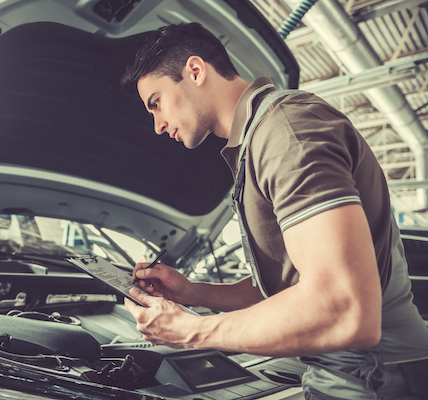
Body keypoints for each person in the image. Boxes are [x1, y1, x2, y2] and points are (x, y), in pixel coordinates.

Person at [120, 22, 428, 399]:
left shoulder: (286, 131)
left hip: (372, 376)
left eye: (156, 103)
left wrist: (190, 331)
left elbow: (342, 307)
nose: (157, 125)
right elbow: (294, 285)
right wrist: (194, 292)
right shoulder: (257, 140)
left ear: (195, 71)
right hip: (346, 368)